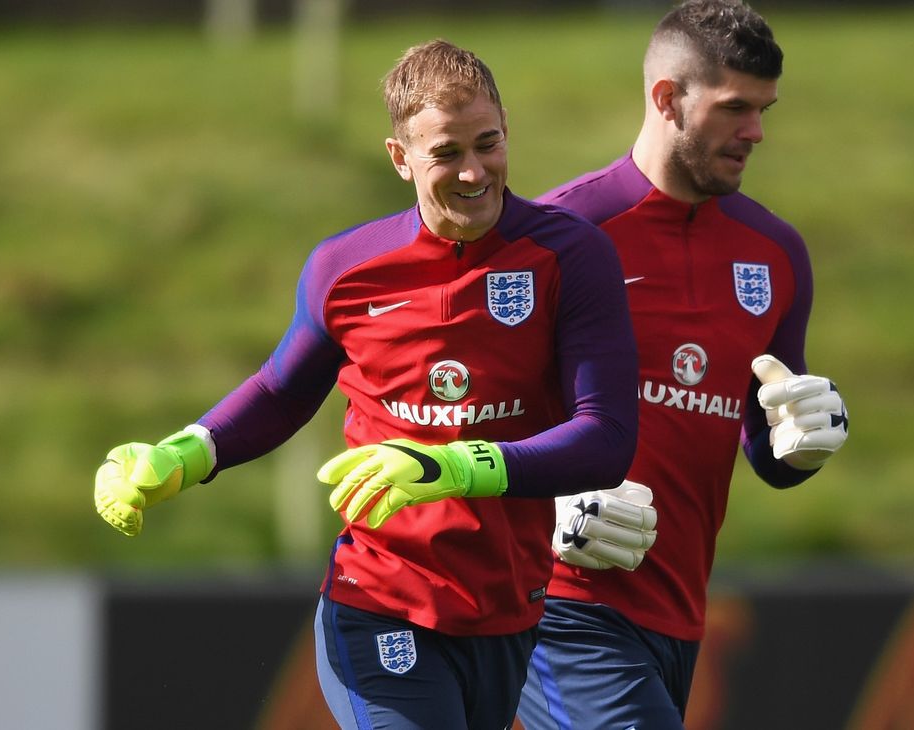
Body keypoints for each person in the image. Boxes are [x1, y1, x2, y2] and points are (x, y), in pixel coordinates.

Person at [93, 39, 640, 729]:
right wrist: (186, 453)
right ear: (400, 158)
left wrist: (455, 465)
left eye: (488, 143)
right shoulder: (346, 269)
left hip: (509, 610)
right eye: (446, 153)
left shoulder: (573, 257)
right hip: (381, 598)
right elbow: (281, 391)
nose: (474, 172)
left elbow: (608, 438)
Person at [517, 1, 850, 728]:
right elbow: (465, 416)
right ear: (667, 98)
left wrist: (801, 444)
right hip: (560, 604)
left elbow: (766, 444)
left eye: (763, 110)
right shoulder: (561, 237)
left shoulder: (776, 253)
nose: (756, 132)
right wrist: (546, 508)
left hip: (679, 614)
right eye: (736, 109)